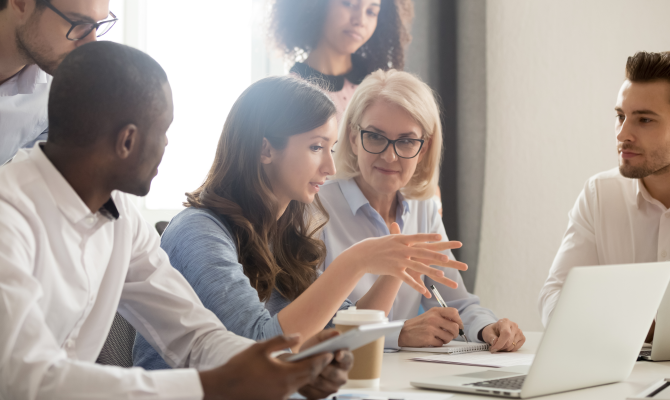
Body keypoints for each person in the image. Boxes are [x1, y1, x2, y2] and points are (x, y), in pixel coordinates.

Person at [0, 41, 352, 400]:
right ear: (127, 141)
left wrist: (289, 367)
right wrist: (213, 385)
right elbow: (29, 381)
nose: (167, 146)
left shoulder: (121, 215)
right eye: (163, 131)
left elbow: (194, 335)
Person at [132, 74, 465, 369]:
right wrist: (354, 262)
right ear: (266, 149)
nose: (330, 168)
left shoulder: (282, 233)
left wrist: (397, 263)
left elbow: (352, 333)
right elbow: (260, 347)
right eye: (316, 147)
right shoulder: (198, 232)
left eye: (330, 149)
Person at [322, 69, 526, 352]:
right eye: (375, 136)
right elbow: (318, 324)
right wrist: (399, 333)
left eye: (406, 141)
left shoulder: (423, 207)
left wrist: (486, 329)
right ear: (354, 138)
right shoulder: (315, 208)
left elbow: (455, 302)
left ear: (424, 147)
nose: (390, 155)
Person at [539, 51, 670, 341]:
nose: (623, 134)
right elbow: (554, 298)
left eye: (644, 120)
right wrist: (625, 323)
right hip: (625, 377)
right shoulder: (600, 194)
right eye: (620, 116)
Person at [0, 0, 115, 185]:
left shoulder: (60, 94)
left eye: (97, 25)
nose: (90, 44)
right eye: (77, 23)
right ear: (21, 3)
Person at [269, 0, 413, 122]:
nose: (360, 21)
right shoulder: (288, 97)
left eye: (371, 12)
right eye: (349, 3)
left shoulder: (380, 86)